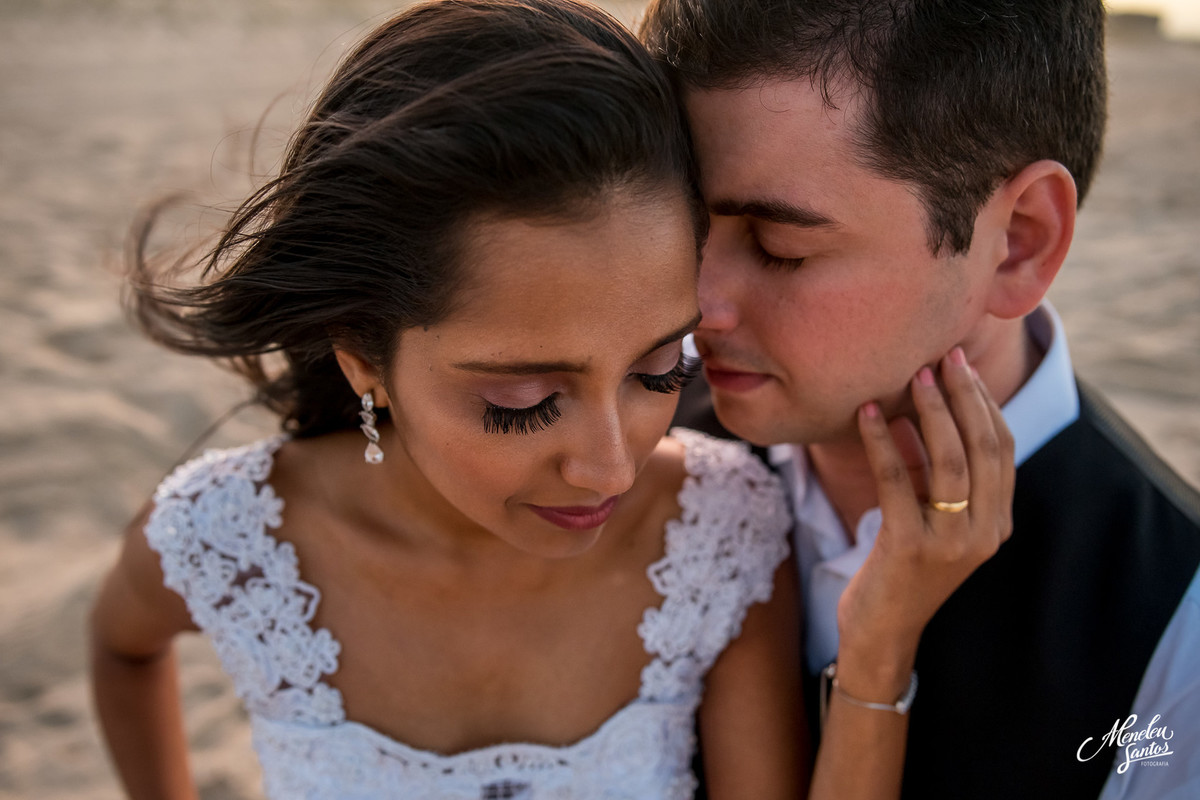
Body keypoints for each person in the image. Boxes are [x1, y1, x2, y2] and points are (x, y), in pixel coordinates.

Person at [89, 1, 1014, 798]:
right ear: (364, 358)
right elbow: (122, 649)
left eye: (660, 369)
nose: (611, 465)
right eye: (526, 399)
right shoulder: (227, 534)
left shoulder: (716, 532)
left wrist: (881, 638)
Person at [640, 0, 1200, 797]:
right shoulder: (615, 442)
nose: (696, 305)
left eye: (780, 248)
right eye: (682, 223)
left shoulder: (1176, 641)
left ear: (1021, 241)